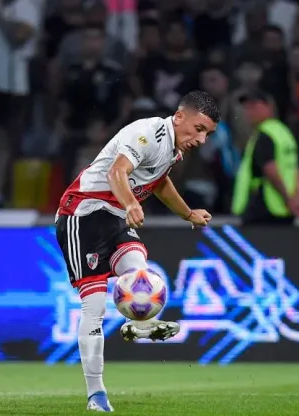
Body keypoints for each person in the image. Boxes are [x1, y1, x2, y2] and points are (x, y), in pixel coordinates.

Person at [54, 90, 219, 412]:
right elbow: (118, 171)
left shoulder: (172, 150)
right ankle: (96, 394)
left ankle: (137, 321)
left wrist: (187, 214)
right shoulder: (147, 133)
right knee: (94, 306)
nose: (201, 139)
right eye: (199, 129)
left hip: (113, 217)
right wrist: (130, 203)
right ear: (180, 116)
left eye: (208, 134)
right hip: (83, 214)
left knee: (140, 269)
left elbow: (158, 182)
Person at [232, 90, 299, 225]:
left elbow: (270, 169)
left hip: (264, 206)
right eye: (247, 108)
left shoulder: (265, 134)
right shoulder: (283, 132)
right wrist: (296, 199)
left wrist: (288, 199)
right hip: (283, 208)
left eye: (254, 107)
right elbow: (295, 169)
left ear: (269, 107)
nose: (249, 112)